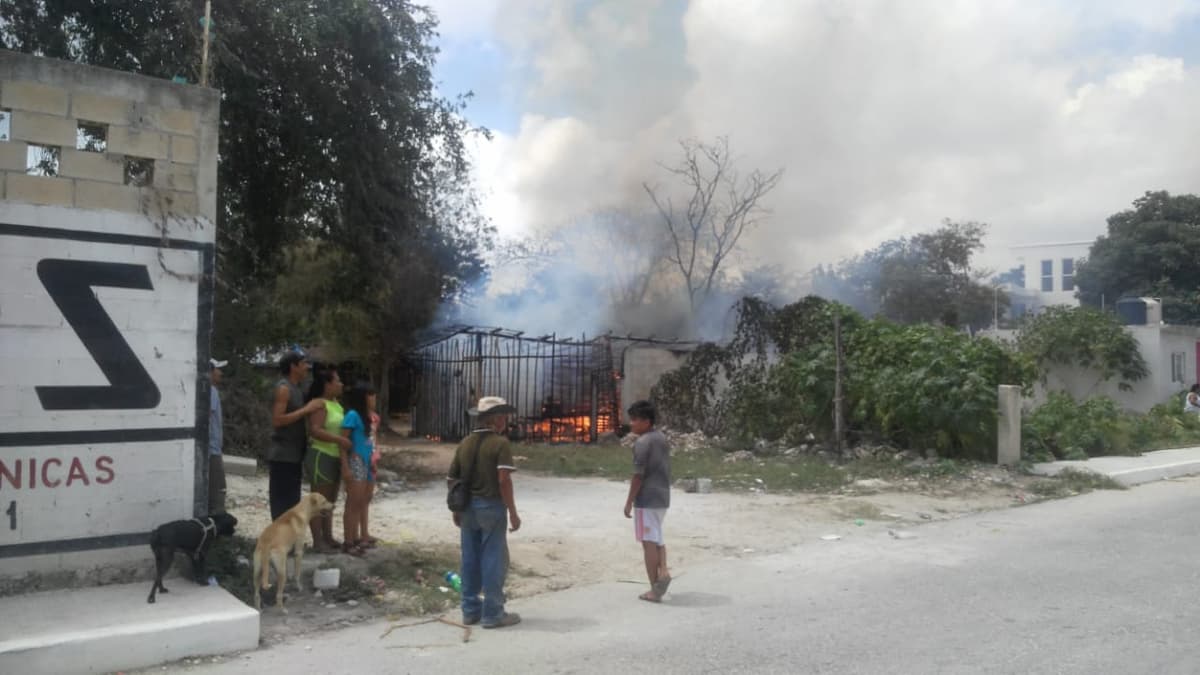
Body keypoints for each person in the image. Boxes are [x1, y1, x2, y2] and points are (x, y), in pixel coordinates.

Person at [448, 396, 522, 628]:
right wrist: (513, 511)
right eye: (504, 417)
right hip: (491, 506)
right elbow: (503, 481)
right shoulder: (500, 444)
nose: (506, 421)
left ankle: (470, 610)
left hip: (468, 507)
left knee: (469, 558)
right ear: (496, 418)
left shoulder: (465, 443)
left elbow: (452, 479)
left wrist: (456, 509)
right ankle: (493, 614)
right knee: (493, 560)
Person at [623, 400, 672, 603]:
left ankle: (655, 589)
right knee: (657, 537)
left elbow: (638, 476)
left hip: (647, 498)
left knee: (648, 544)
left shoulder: (642, 443)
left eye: (635, 419)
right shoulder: (661, 438)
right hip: (662, 495)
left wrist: (628, 502)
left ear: (645, 421)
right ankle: (664, 571)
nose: (631, 423)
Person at [268, 351, 323, 521]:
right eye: (304, 363)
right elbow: (277, 420)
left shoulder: (297, 388)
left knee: (292, 502)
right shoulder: (284, 388)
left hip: (295, 455)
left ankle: (288, 541)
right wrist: (306, 410)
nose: (307, 367)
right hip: (283, 455)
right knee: (282, 504)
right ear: (293, 366)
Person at [305, 364, 350, 553]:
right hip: (321, 455)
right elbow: (315, 430)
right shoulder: (320, 404)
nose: (341, 384)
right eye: (337, 380)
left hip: (335, 456)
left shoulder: (337, 404)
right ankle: (318, 542)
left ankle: (328, 536)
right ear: (327, 384)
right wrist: (338, 439)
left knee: (330, 500)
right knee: (318, 501)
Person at [340, 382, 377, 556]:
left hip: (368, 462)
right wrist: (345, 466)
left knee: (362, 500)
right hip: (356, 461)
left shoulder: (367, 417)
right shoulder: (353, 415)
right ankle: (348, 541)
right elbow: (343, 443)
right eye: (370, 395)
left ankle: (356, 538)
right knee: (353, 502)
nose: (373, 398)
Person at [207, 358, 228, 514]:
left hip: (208, 448)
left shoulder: (205, 389)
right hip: (211, 449)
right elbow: (206, 417)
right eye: (218, 369)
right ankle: (218, 523)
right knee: (218, 488)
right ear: (210, 371)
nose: (221, 373)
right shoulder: (211, 390)